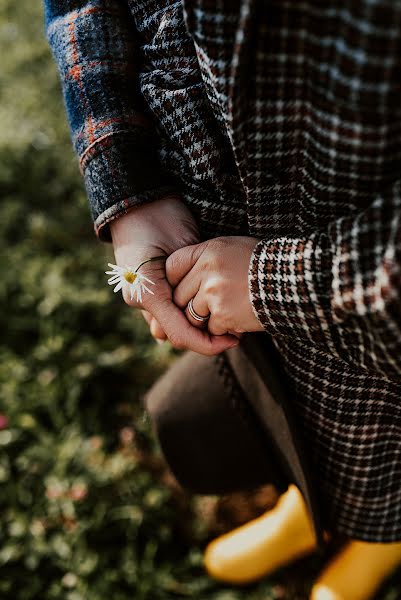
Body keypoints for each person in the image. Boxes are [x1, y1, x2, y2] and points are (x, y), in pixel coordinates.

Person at [45, 1, 401, 598]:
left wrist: (281, 284)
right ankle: (309, 502)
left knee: (382, 423)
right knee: (294, 406)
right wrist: (130, 190)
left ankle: (383, 536)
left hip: (360, 263)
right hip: (219, 202)